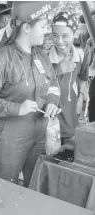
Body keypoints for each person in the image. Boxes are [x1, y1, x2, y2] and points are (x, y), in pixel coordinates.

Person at [0, 1, 60, 187]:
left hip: (39, 134)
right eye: (43, 26)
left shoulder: (41, 56)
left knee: (36, 186)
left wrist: (52, 102)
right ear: (27, 27)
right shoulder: (1, 58)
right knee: (6, 188)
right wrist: (17, 108)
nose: (46, 31)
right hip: (8, 136)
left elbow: (53, 85)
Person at [49, 11, 90, 148]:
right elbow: (34, 85)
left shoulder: (81, 55)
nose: (59, 41)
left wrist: (81, 98)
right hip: (48, 122)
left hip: (71, 118)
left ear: (75, 33)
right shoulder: (43, 56)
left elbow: (83, 78)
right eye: (55, 35)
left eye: (65, 35)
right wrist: (56, 71)